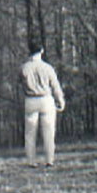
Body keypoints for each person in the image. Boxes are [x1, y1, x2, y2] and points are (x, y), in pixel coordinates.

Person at [19, 39, 65, 167]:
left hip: (30, 99)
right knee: (49, 131)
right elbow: (55, 85)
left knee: (30, 133)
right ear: (42, 50)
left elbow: (20, 84)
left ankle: (31, 161)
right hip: (46, 100)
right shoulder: (47, 67)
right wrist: (60, 99)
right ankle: (49, 159)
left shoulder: (24, 68)